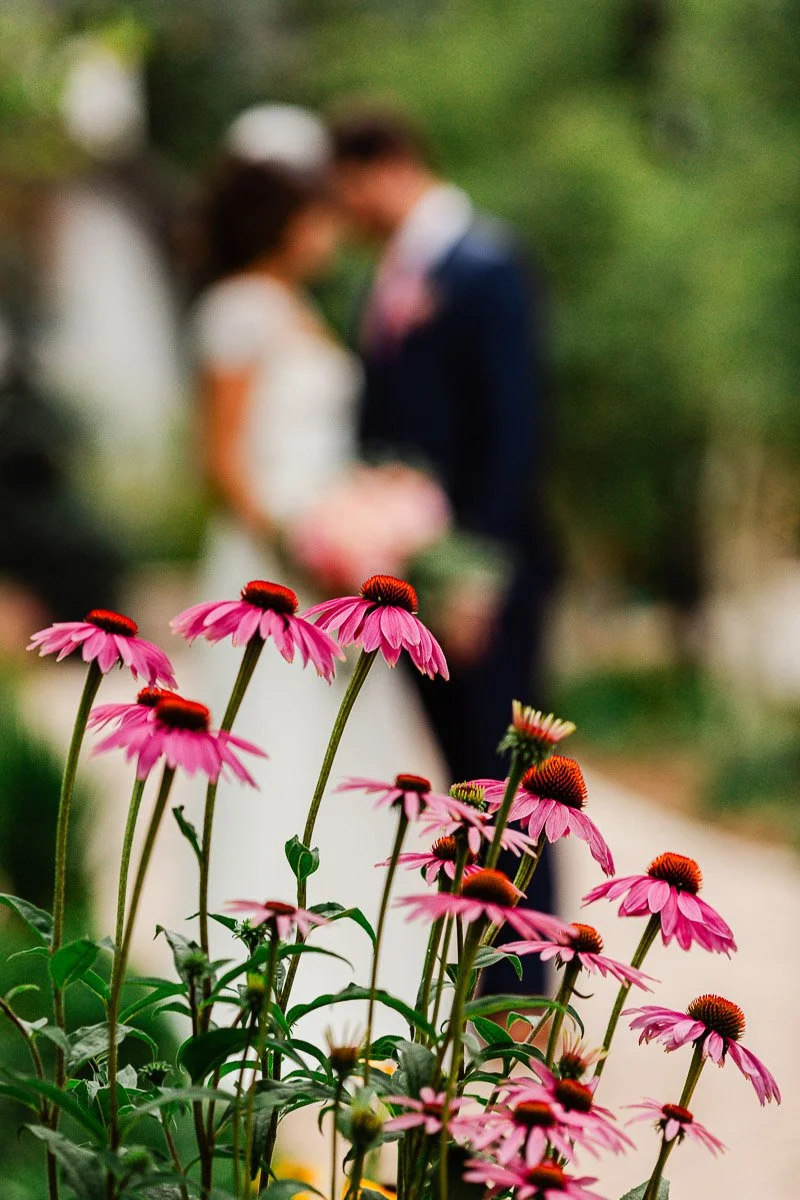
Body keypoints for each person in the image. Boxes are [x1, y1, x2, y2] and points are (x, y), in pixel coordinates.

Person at [188, 106, 444, 1052]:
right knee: (272, 763)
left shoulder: (299, 309)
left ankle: (360, 992)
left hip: (328, 586)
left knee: (354, 769)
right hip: (268, 578)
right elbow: (220, 462)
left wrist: (367, 508)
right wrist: (301, 539)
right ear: (288, 221)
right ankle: (256, 998)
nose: (333, 230)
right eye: (321, 215)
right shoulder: (239, 311)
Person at [332, 110, 557, 995]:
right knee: (462, 785)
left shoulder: (487, 265)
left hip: (485, 579)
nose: (342, 208)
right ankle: (483, 985)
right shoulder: (386, 280)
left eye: (345, 185)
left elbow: (515, 431)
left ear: (384, 167)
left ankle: (525, 993)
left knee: (509, 792)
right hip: (420, 579)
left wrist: (479, 575)